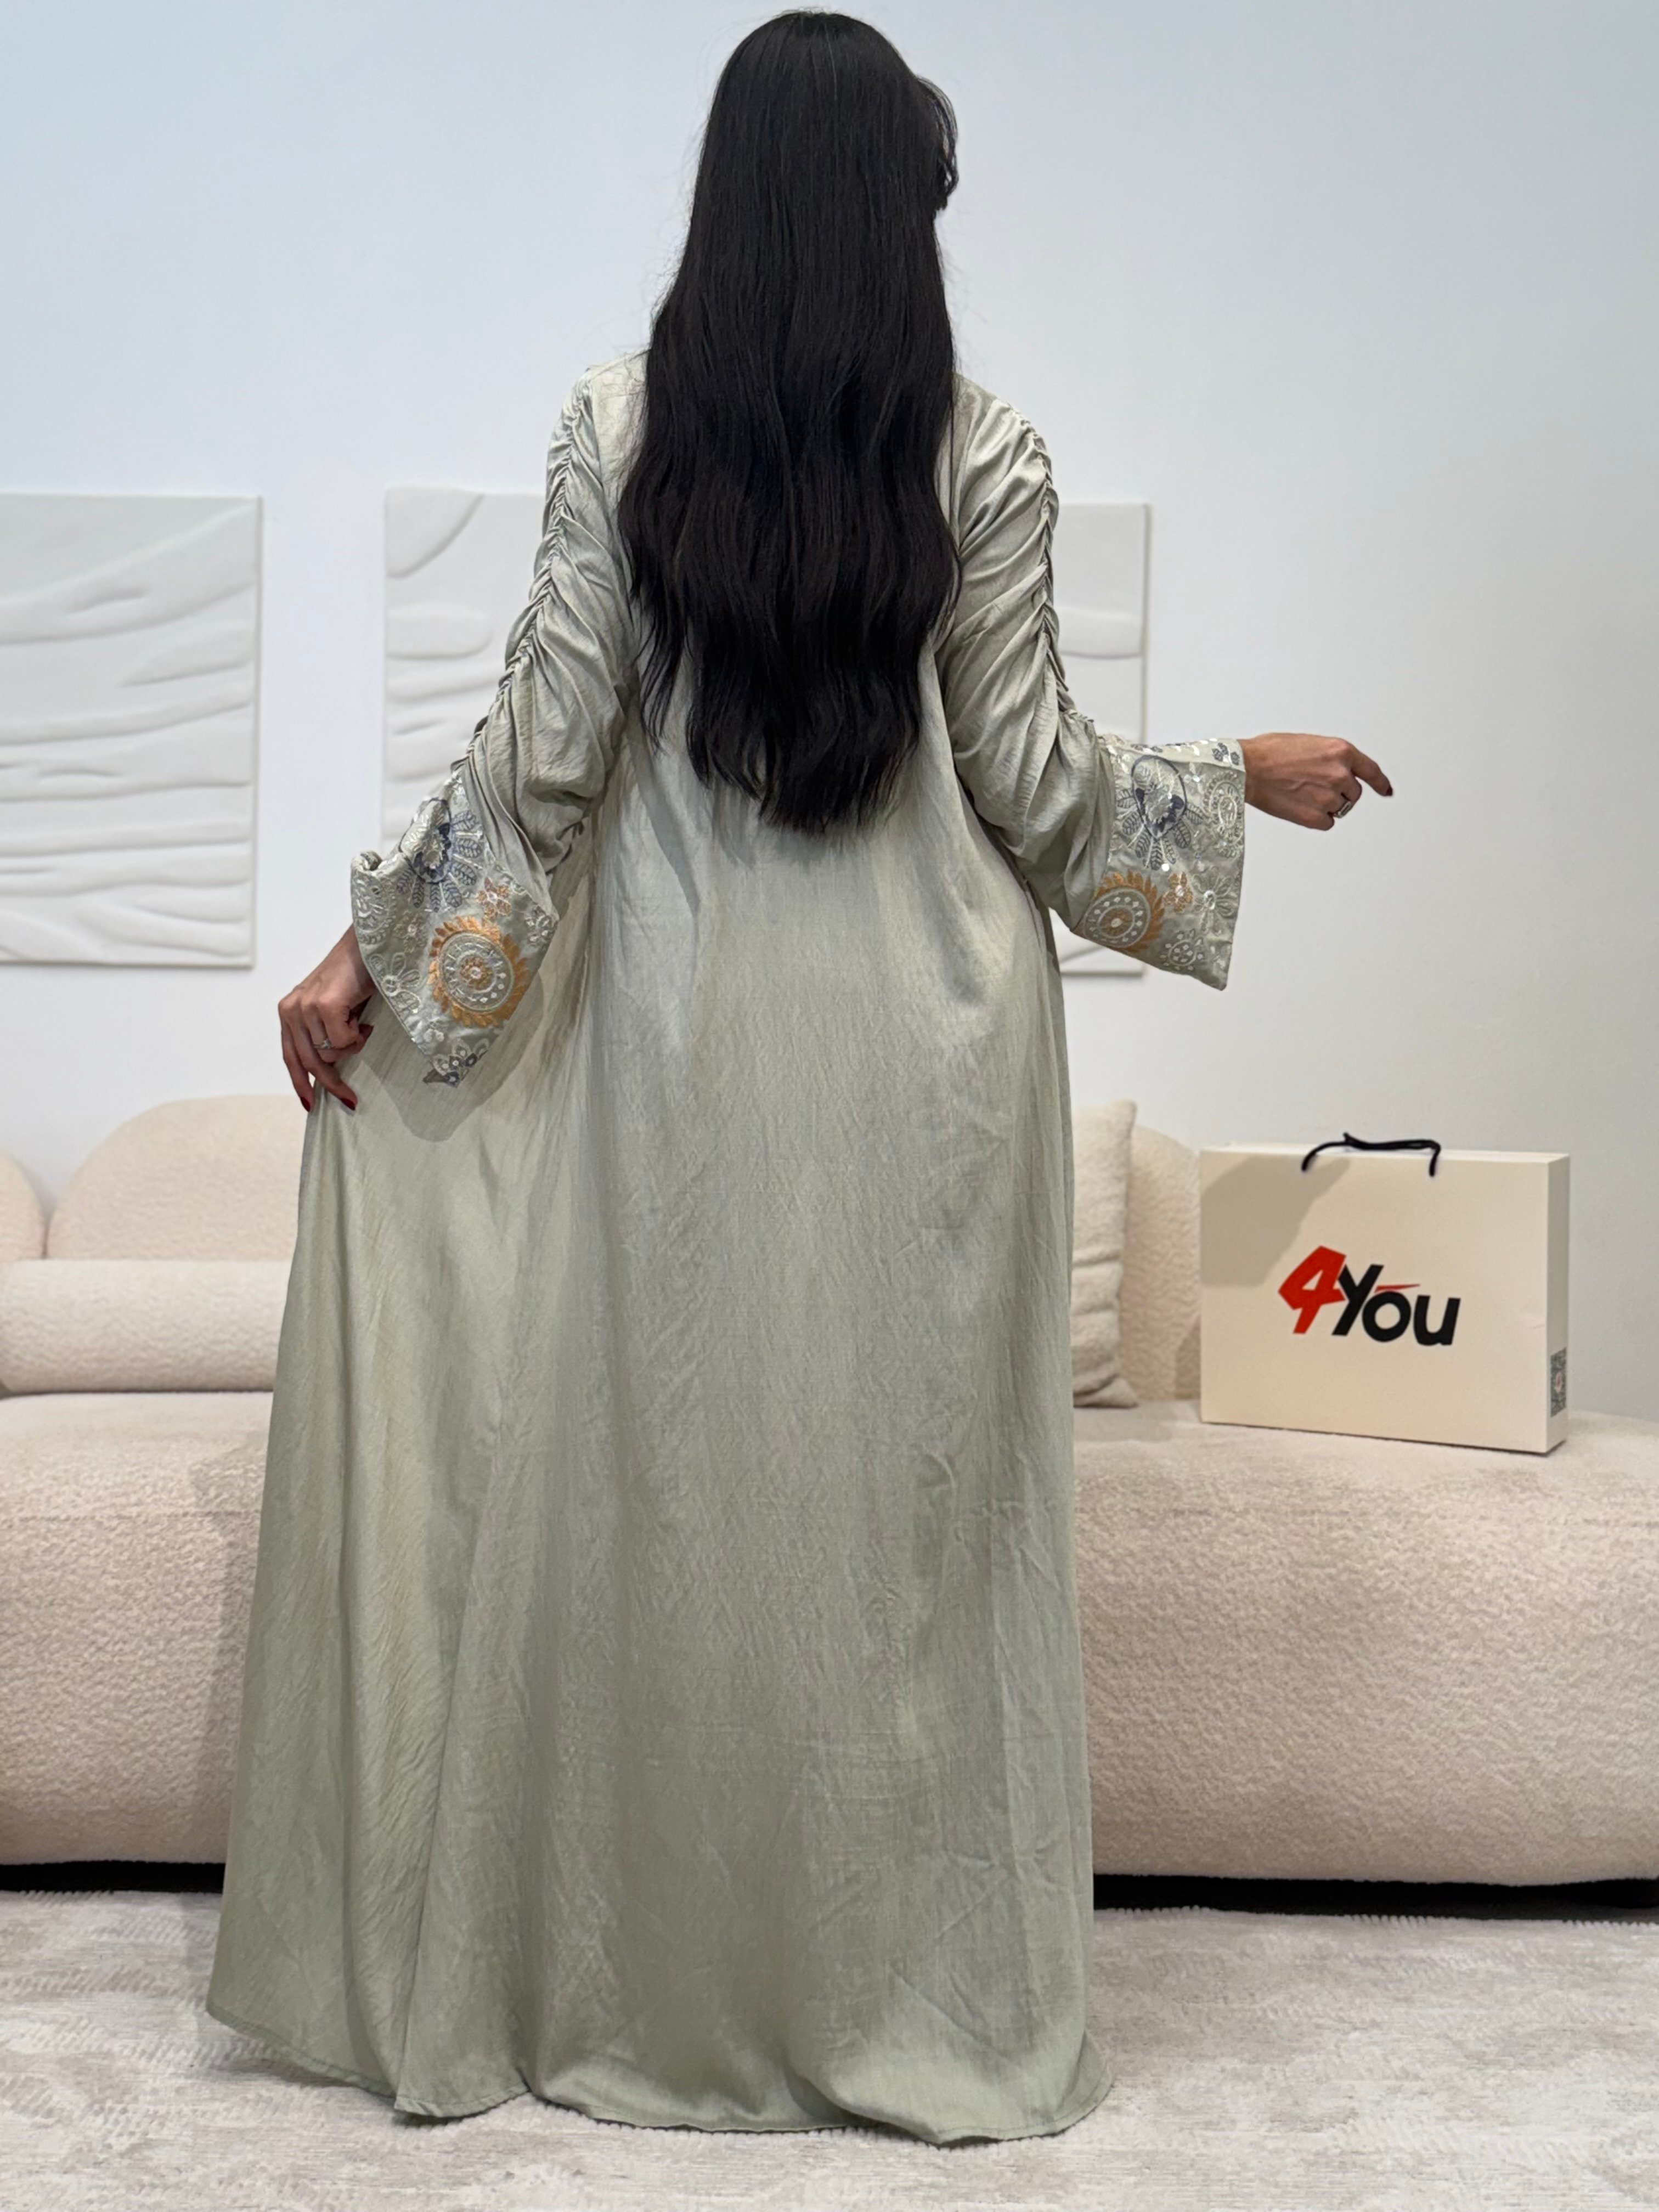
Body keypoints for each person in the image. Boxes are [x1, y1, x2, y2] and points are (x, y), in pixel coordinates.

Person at [205, 8, 1391, 2143]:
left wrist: (368, 954)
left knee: (673, 1511)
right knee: (909, 1551)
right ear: (893, 219)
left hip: (680, 1056)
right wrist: (1236, 780)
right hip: (933, 1072)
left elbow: (545, 759)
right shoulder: (984, 455)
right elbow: (1038, 785)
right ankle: (904, 1987)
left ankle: (657, 1986)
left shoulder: (621, 430)